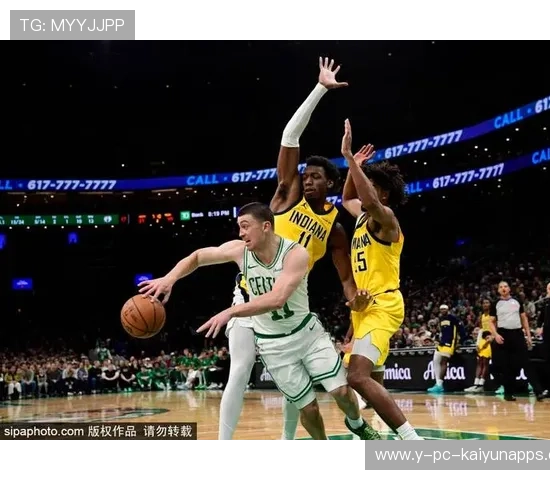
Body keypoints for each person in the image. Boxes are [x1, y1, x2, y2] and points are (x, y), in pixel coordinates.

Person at [214, 57, 370, 440]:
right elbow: (289, 136)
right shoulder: (286, 197)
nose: (307, 180)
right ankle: (222, 446)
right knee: (240, 368)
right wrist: (320, 89)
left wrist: (355, 301)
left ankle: (290, 440)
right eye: (306, 175)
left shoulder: (334, 229)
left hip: (292, 298)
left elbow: (345, 279)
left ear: (330, 183)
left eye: (315, 176)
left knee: (295, 378)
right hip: (250, 292)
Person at [141, 202, 380, 440]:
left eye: (245, 226)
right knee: (308, 408)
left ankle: (357, 423)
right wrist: (169, 279)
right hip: (273, 345)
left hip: (306, 335)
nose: (241, 233)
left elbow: (277, 299)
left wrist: (230, 312)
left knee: (341, 392)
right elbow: (198, 257)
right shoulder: (239, 251)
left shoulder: (296, 253)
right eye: (239, 227)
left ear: (266, 226)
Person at [340, 119, 423, 440]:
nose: (365, 188)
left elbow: (369, 201)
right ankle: (378, 436)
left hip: (384, 305)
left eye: (371, 185)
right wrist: (355, 168)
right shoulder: (362, 217)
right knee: (371, 379)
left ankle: (413, 441)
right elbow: (348, 198)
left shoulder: (386, 219)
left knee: (356, 376)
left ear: (384, 194)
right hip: (364, 309)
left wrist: (349, 158)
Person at [488, 281, 544, 402]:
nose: (503, 288)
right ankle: (508, 393)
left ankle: (538, 391)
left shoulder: (517, 301)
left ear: (509, 289)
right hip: (503, 334)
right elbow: (491, 322)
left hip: (517, 334)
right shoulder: (495, 303)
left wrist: (528, 336)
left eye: (505, 286)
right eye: (501, 287)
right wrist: (495, 334)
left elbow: (524, 319)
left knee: (526, 362)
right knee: (507, 366)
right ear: (498, 290)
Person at [427, 304, 466, 393]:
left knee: (443, 362)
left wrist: (461, 342)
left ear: (448, 309)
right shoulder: (441, 319)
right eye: (441, 309)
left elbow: (461, 329)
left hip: (450, 343)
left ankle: (440, 385)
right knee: (435, 360)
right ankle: (437, 383)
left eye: (444, 309)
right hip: (441, 343)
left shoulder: (453, 318)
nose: (443, 310)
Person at [465, 298, 494, 392]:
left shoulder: (493, 315)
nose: (485, 304)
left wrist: (490, 339)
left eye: (487, 303)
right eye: (484, 303)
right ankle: (476, 384)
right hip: (482, 339)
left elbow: (495, 328)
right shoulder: (481, 316)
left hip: (490, 339)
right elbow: (481, 330)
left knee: (485, 363)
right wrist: (477, 343)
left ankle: (481, 385)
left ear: (490, 304)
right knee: (479, 362)